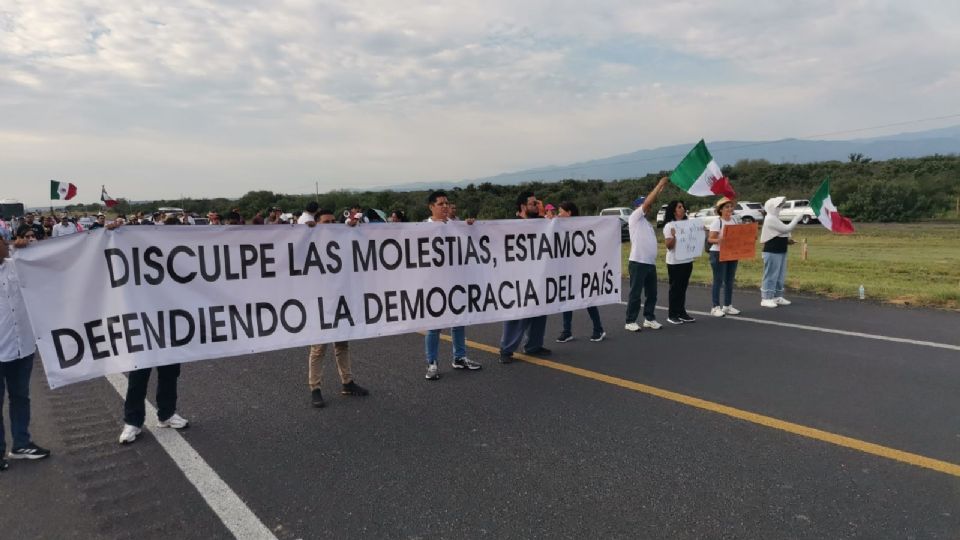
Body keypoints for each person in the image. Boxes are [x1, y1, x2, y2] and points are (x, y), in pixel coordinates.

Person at [118, 220, 188, 444]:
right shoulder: (127, 259)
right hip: (142, 326)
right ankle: (133, 422)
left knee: (169, 373)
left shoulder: (172, 256)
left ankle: (166, 414)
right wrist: (111, 232)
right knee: (138, 376)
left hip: (169, 324)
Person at [305, 208, 369, 406]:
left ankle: (347, 382)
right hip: (320, 302)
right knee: (318, 348)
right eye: (326, 222)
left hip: (341, 299)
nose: (332, 224)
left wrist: (352, 227)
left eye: (334, 221)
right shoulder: (310, 242)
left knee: (342, 344)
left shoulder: (342, 240)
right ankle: (315, 388)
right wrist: (306, 231)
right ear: (317, 223)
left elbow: (363, 242)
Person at [0, 237, 52, 468]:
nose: (2, 245)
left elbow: (56, 262)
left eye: (1, 241)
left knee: (20, 397)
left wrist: (30, 247)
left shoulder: (18, 264)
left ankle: (21, 444)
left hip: (22, 347)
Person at [423, 191, 481, 380]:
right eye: (441, 204)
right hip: (433, 284)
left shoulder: (456, 226)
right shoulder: (421, 229)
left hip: (456, 281)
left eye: (447, 203)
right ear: (431, 207)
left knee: (459, 321)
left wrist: (470, 227)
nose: (445, 207)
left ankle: (460, 357)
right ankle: (432, 363)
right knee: (435, 326)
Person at [498, 191, 551, 363]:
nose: (536, 206)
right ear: (522, 206)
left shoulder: (540, 223)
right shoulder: (513, 225)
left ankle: (533, 345)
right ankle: (506, 349)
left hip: (538, 275)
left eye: (537, 203)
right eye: (533, 203)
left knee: (540, 311)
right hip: (518, 277)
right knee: (517, 314)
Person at [555, 201, 605, 342]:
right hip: (567, 271)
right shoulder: (560, 226)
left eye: (561, 211)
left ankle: (598, 329)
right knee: (566, 301)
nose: (559, 214)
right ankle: (567, 331)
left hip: (582, 270)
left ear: (569, 213)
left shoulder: (582, 226)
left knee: (588, 300)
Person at [625, 177, 669, 332]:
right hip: (638, 262)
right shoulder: (634, 217)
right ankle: (630, 320)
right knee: (635, 293)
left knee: (652, 293)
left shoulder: (647, 223)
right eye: (645, 205)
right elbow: (648, 202)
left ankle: (649, 318)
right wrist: (658, 186)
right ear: (638, 207)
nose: (649, 207)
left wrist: (660, 189)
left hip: (650, 263)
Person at [759, 196, 803, 308]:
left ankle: (777, 296)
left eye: (780, 206)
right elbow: (786, 229)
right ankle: (766, 298)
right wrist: (796, 219)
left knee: (780, 275)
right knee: (771, 275)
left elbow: (779, 233)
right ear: (770, 207)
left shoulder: (775, 218)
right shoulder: (770, 218)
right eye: (778, 206)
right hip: (772, 251)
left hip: (781, 250)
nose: (780, 208)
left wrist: (788, 241)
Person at [662, 200, 697, 325]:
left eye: (683, 206)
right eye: (679, 207)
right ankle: (672, 314)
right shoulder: (669, 226)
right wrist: (675, 236)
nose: (682, 209)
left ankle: (682, 312)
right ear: (674, 210)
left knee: (683, 288)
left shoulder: (687, 224)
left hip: (687, 260)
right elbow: (669, 246)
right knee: (675, 289)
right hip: (675, 262)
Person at [707, 197, 742, 317]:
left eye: (731, 206)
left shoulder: (734, 221)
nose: (730, 209)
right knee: (718, 280)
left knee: (729, 280)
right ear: (720, 210)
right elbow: (710, 239)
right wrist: (719, 240)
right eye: (726, 207)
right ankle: (715, 307)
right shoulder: (718, 222)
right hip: (718, 253)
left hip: (732, 253)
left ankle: (727, 306)